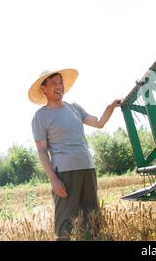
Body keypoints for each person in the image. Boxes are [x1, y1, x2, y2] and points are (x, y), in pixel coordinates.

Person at [28, 68, 122, 240]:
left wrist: (110, 108)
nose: (59, 86)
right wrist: (53, 179)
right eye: (54, 83)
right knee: (65, 224)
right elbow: (41, 151)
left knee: (92, 220)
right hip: (65, 172)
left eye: (61, 83)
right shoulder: (41, 116)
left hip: (88, 167)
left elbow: (99, 123)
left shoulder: (74, 108)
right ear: (43, 88)